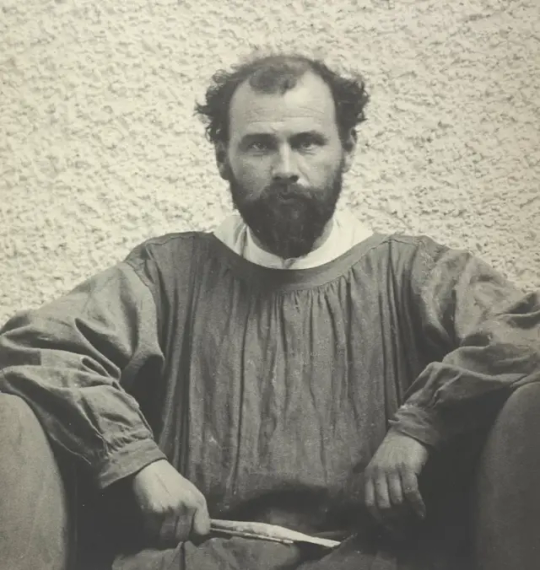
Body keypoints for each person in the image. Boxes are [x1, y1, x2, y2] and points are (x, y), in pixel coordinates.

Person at [1, 52, 539, 570]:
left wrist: (421, 425)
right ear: (223, 157)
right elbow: (39, 346)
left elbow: (524, 328)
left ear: (347, 149)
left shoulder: (416, 272)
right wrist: (137, 459)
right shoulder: (164, 275)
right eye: (260, 145)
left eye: (307, 143)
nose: (286, 169)